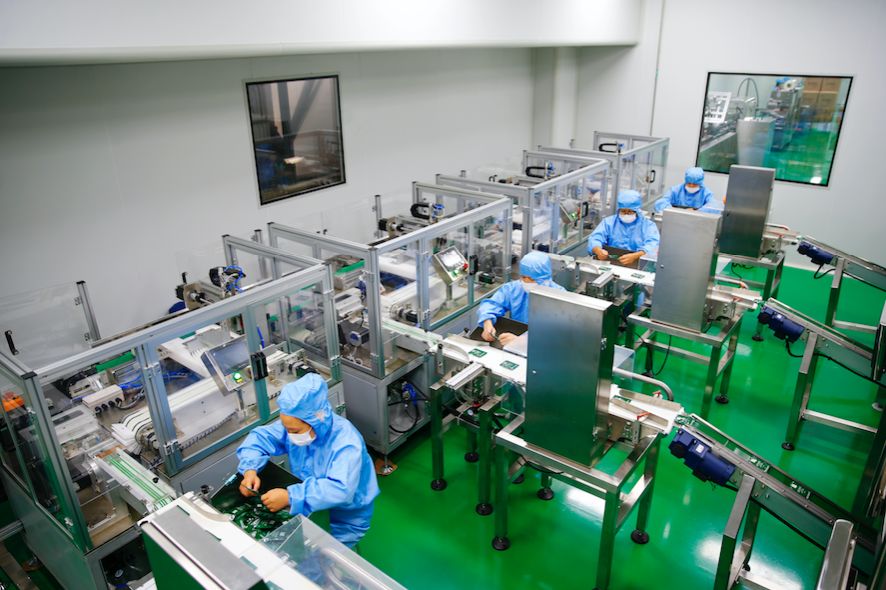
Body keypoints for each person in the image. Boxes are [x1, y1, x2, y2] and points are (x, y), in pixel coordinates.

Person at [237, 373, 379, 548]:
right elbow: (260, 438)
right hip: (312, 504)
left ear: (316, 421)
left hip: (345, 516)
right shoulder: (294, 423)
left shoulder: (346, 442)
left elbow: (341, 489)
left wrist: (291, 496)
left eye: (295, 431)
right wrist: (250, 469)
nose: (290, 435)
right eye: (287, 429)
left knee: (331, 554)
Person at [477, 250, 565, 346]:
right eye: (523, 277)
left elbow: (561, 334)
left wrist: (523, 341)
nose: (526, 282)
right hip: (517, 335)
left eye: (532, 279)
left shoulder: (561, 297)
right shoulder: (514, 288)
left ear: (544, 278)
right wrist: (487, 322)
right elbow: (492, 304)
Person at [588, 190, 660, 265]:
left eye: (630, 211)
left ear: (637, 210)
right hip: (610, 262)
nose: (626, 214)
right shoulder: (609, 222)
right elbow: (595, 238)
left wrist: (636, 256)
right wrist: (598, 250)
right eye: (623, 211)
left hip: (637, 264)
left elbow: (653, 245)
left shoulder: (648, 226)